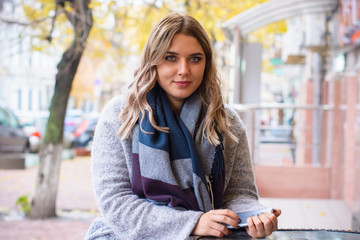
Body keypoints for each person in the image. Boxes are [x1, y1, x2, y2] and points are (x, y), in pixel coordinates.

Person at [85, 12, 281, 240]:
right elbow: (115, 204)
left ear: (207, 63)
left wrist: (254, 216)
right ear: (153, 60)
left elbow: (239, 194)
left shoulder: (226, 122)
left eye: (195, 59)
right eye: (171, 58)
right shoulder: (121, 115)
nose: (184, 70)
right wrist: (192, 223)